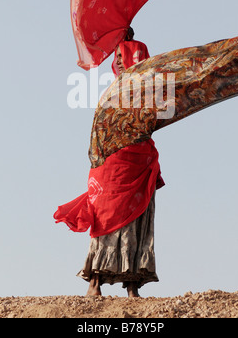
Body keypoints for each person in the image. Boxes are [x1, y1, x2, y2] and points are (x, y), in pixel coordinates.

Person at [75, 27, 165, 298]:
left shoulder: (108, 101)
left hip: (115, 172)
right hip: (128, 167)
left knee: (110, 214)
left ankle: (98, 283)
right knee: (132, 214)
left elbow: (95, 149)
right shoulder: (144, 99)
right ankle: (130, 286)